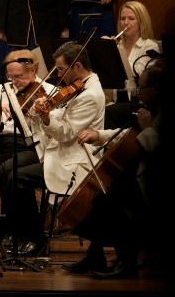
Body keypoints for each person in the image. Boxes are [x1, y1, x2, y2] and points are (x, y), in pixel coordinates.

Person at [63, 61, 163, 278]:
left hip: (156, 182)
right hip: (143, 173)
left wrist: (147, 127)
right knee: (102, 196)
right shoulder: (151, 108)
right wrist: (99, 135)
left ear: (156, 89)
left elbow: (157, 146)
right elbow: (128, 132)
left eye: (142, 88)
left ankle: (126, 262)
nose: (139, 92)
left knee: (107, 198)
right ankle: (96, 255)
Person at [10, 41, 107, 255]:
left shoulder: (90, 94)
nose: (58, 74)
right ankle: (22, 235)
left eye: (62, 69)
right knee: (10, 171)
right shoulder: (78, 86)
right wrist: (40, 110)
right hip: (58, 151)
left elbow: (66, 133)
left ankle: (36, 239)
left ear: (78, 66)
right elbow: (59, 117)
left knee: (17, 177)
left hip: (74, 158)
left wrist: (45, 116)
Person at [0, 50, 55, 249]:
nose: (14, 81)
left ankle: (21, 231)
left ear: (33, 71)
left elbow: (50, 128)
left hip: (29, 145)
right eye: (11, 76)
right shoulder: (4, 89)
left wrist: (36, 112)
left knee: (9, 171)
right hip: (1, 142)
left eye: (19, 76)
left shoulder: (47, 90)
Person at [103, 1, 162, 129]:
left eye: (131, 19)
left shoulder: (149, 46)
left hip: (136, 100)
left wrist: (115, 53)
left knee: (108, 113)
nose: (125, 22)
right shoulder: (119, 45)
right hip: (115, 98)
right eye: (123, 18)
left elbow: (137, 76)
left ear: (141, 21)